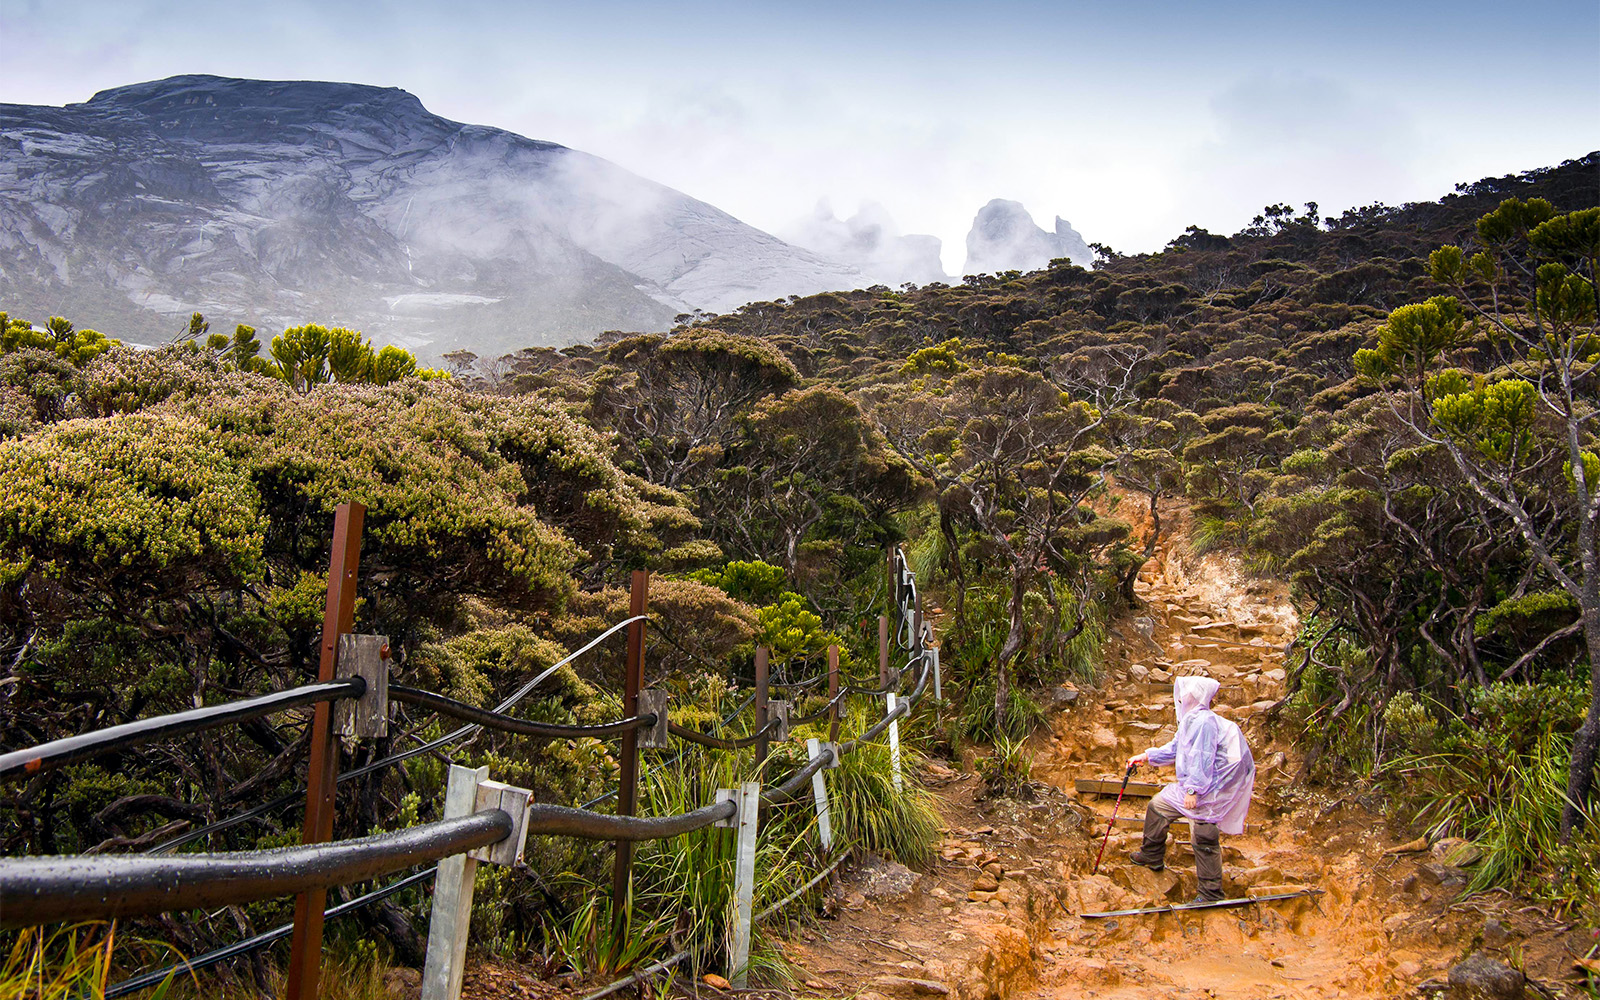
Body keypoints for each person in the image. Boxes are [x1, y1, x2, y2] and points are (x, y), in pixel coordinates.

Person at [1125, 675, 1255, 903]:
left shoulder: (1204, 722)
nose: (1182, 697)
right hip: (1202, 785)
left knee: (1203, 833)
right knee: (1158, 806)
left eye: (1186, 693)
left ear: (1195, 697)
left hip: (1213, 788)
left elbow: (1202, 757)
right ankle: (1151, 855)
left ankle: (1210, 892)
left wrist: (1193, 791)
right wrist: (1146, 756)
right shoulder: (1190, 720)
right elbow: (1176, 747)